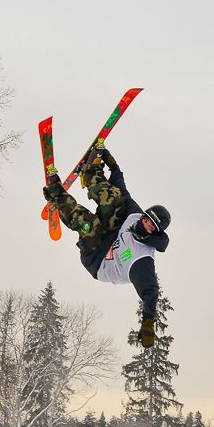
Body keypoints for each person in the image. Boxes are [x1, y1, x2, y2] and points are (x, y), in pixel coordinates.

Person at [42, 146, 170, 348]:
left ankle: (56, 193)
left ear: (155, 232)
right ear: (144, 216)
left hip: (98, 261)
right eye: (147, 220)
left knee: (88, 224)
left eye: (151, 227)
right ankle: (91, 172)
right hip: (112, 235)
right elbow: (123, 191)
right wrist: (113, 166)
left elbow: (151, 290)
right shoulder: (135, 216)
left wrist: (148, 323)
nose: (145, 225)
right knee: (115, 198)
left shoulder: (142, 259)